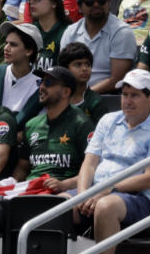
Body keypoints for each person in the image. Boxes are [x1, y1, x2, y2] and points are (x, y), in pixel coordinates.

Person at [75, 69, 150, 254]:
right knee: (59, 205)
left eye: (134, 95)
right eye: (124, 94)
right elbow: (89, 163)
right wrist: (83, 193)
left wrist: (107, 190)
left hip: (139, 199)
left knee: (106, 206)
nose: (127, 100)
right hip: (98, 189)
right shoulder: (108, 120)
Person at [12, 66, 95, 194]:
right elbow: (23, 167)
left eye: (48, 83)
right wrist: (12, 183)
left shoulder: (81, 123)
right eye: (40, 82)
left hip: (62, 192)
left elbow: (93, 169)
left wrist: (63, 184)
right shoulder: (31, 125)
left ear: (66, 92)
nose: (41, 87)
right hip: (31, 190)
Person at [59, 0, 136, 93]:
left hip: (109, 97)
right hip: (74, 95)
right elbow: (64, 71)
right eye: (89, 1)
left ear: (109, 3)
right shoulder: (70, 32)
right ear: (79, 7)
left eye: (101, 0)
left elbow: (117, 80)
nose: (96, 4)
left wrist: (83, 96)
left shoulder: (122, 32)